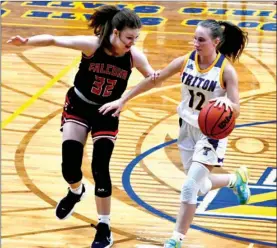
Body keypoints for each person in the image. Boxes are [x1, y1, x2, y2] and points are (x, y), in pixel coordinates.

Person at [7, 5, 160, 248]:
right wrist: (27, 41)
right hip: (79, 106)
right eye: (129, 37)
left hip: (106, 112)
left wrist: (125, 99)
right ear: (116, 32)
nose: (133, 42)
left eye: (136, 38)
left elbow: (152, 79)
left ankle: (104, 225)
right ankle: (76, 191)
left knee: (100, 167)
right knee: (70, 165)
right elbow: (56, 40)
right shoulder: (94, 45)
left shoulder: (134, 57)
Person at [99, 19, 251, 248]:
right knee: (199, 186)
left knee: (190, 187)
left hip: (211, 133)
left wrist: (227, 103)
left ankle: (175, 239)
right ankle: (235, 179)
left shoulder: (226, 71)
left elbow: (237, 109)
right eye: (194, 38)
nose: (195, 43)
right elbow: (155, 79)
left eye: (201, 40)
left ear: (216, 42)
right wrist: (123, 99)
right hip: (186, 129)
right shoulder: (186, 60)